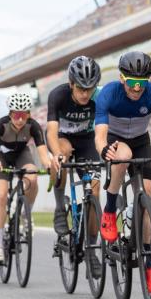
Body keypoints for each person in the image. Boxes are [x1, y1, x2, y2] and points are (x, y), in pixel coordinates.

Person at [94, 51, 151, 296]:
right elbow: (100, 134)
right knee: (122, 156)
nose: (137, 88)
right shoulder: (108, 94)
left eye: (142, 83)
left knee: (146, 198)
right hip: (116, 139)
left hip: (141, 140)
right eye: (132, 82)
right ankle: (110, 209)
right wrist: (104, 150)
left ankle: (150, 265)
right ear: (122, 79)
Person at [44, 55, 103, 278]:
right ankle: (60, 208)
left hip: (87, 141)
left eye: (90, 88)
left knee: (95, 191)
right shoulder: (57, 95)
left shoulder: (100, 97)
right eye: (80, 88)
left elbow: (106, 127)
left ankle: (91, 250)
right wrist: (57, 154)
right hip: (62, 138)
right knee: (63, 154)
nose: (85, 94)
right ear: (71, 84)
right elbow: (50, 131)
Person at [0, 92, 53, 263]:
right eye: (16, 115)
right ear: (10, 114)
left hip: (22, 154)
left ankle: (25, 213)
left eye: (24, 115)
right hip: (1, 157)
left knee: (33, 177)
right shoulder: (1, 124)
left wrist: (49, 165)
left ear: (29, 114)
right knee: (1, 194)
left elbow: (43, 154)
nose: (20, 119)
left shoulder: (34, 126)